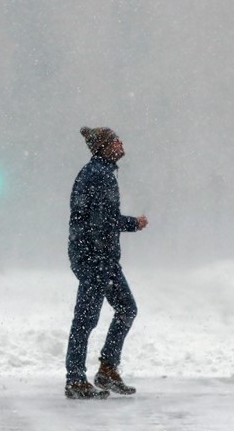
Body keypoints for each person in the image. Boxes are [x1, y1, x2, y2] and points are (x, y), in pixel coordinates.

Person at [64, 127, 149, 400]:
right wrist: (133, 224)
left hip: (102, 258)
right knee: (86, 319)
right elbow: (103, 220)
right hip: (94, 258)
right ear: (103, 147)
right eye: (115, 141)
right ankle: (75, 380)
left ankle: (107, 370)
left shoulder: (101, 173)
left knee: (126, 308)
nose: (120, 143)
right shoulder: (97, 176)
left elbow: (100, 218)